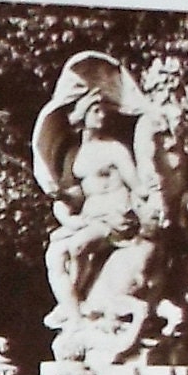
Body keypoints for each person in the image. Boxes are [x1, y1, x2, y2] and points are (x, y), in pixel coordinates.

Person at [32, 52, 153, 329]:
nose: (103, 115)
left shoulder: (114, 148)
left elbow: (137, 186)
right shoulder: (75, 155)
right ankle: (72, 311)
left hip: (114, 216)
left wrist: (141, 204)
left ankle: (80, 303)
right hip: (89, 218)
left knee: (77, 247)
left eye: (103, 110)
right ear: (83, 116)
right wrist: (63, 203)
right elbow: (74, 195)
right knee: (54, 255)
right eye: (96, 111)